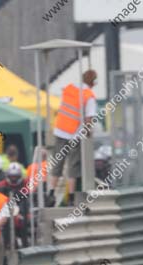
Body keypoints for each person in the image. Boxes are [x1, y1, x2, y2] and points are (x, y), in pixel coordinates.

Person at [48, 69, 98, 207]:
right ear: (93, 82)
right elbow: (89, 120)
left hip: (59, 130)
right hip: (74, 135)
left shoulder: (70, 88)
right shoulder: (89, 96)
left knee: (57, 163)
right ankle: (70, 197)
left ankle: (51, 194)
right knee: (73, 166)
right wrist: (88, 134)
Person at [0, 162, 29, 248]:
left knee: (25, 221)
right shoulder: (1, 185)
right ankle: (5, 243)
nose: (14, 179)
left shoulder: (25, 183)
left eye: (16, 176)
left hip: (20, 208)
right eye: (12, 176)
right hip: (6, 209)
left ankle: (25, 243)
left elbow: (29, 197)